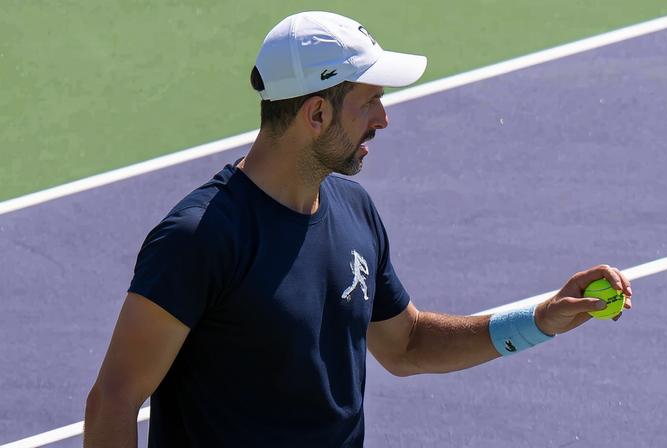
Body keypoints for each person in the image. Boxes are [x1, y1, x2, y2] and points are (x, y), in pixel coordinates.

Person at [84, 11, 633, 448]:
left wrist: (540, 319)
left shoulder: (355, 210)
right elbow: (114, 399)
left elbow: (408, 344)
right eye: (370, 101)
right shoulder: (199, 238)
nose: (384, 119)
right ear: (316, 115)